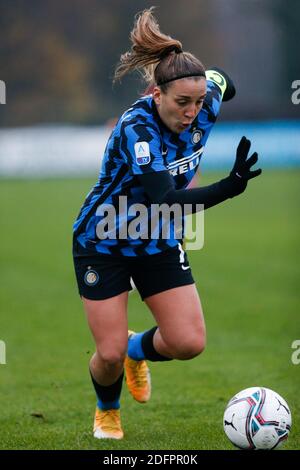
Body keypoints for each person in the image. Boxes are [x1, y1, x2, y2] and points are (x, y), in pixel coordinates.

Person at [72, 8, 261, 440]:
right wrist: (230, 187)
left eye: (198, 101)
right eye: (182, 103)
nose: (193, 111)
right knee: (108, 352)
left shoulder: (203, 97)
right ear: (156, 94)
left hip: (155, 238)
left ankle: (138, 351)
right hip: (103, 240)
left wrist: (207, 78)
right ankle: (107, 410)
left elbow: (221, 79)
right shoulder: (137, 129)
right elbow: (166, 200)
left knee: (189, 343)